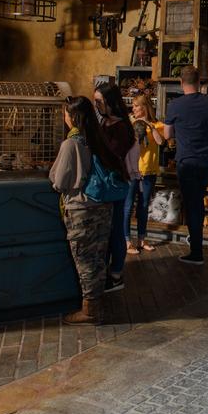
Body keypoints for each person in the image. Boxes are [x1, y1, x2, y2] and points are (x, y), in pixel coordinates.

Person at [50, 96, 116, 324]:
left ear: (73, 116)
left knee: (85, 259)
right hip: (103, 207)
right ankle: (98, 302)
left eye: (65, 113)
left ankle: (90, 310)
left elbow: (59, 181)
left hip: (81, 209)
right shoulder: (98, 138)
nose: (64, 117)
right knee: (98, 257)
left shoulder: (72, 143)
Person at [162, 66, 208, 266]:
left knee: (193, 204)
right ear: (200, 83)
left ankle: (196, 251)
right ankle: (196, 244)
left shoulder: (174, 105)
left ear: (181, 83)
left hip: (186, 160)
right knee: (198, 200)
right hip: (207, 160)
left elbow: (166, 135)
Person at [93, 82, 138, 291]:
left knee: (117, 229)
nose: (97, 105)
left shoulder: (120, 127)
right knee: (109, 229)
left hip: (117, 184)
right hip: (107, 184)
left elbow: (113, 155)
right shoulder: (104, 123)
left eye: (99, 101)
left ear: (110, 102)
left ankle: (117, 273)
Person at [127, 94, 164, 254]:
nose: (133, 109)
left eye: (136, 106)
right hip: (132, 171)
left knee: (143, 206)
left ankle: (142, 239)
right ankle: (126, 241)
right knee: (127, 207)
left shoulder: (157, 124)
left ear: (145, 107)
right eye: (133, 106)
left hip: (148, 171)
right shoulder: (129, 122)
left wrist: (149, 125)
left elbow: (160, 142)